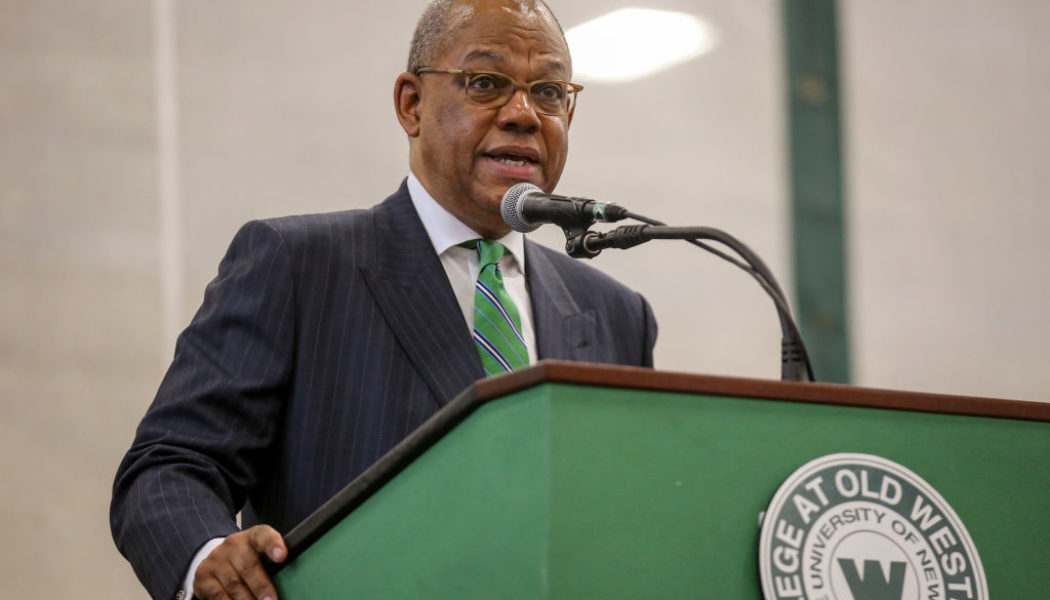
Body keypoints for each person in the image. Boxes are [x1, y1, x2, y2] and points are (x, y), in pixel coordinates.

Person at [110, 1, 657, 599]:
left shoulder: (614, 314)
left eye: (549, 91)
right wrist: (208, 555)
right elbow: (170, 467)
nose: (524, 114)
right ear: (411, 104)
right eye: (486, 83)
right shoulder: (298, 265)